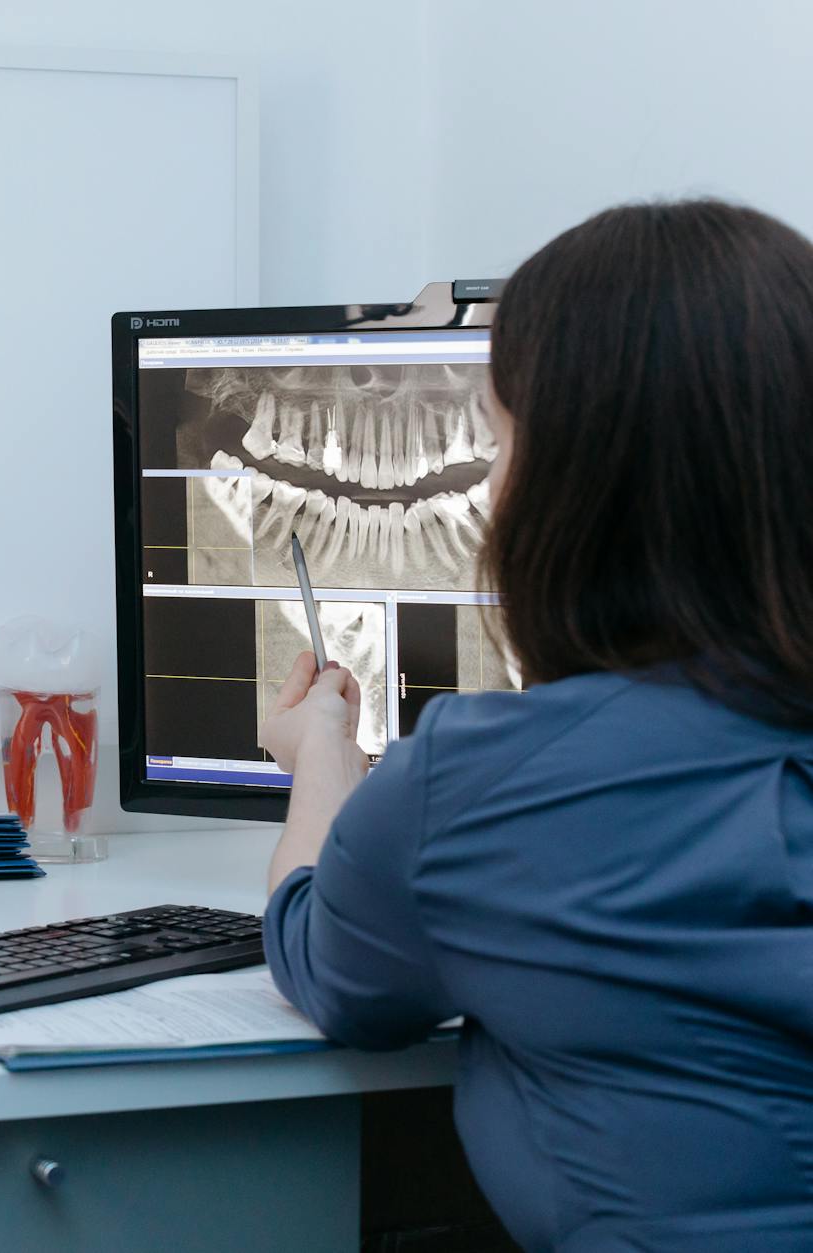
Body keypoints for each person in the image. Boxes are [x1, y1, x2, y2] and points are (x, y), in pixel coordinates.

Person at [258, 198, 813, 1251]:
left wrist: (320, 758)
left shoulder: (481, 786)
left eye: (499, 437)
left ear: (570, 489)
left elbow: (324, 960)